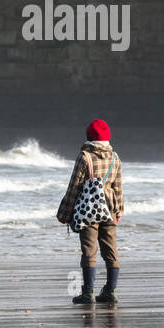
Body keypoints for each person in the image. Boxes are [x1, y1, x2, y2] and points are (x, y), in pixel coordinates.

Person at [57, 118, 124, 304]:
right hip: (109, 209)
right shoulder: (115, 157)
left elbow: (74, 187)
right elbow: (118, 187)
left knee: (89, 250)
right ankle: (110, 291)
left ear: (89, 136)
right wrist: (118, 212)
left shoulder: (84, 157)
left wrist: (64, 214)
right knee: (111, 250)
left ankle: (88, 293)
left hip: (89, 210)